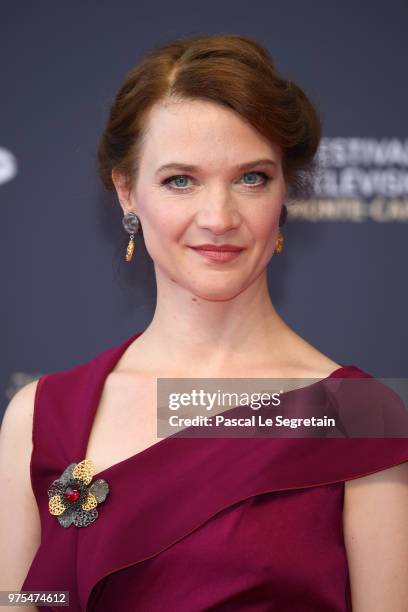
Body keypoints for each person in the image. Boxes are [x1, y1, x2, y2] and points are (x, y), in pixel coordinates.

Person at [1, 33, 407, 612]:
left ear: (284, 189)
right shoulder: (41, 415)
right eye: (180, 180)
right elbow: (25, 600)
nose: (219, 218)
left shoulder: (356, 415)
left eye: (251, 178)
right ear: (126, 192)